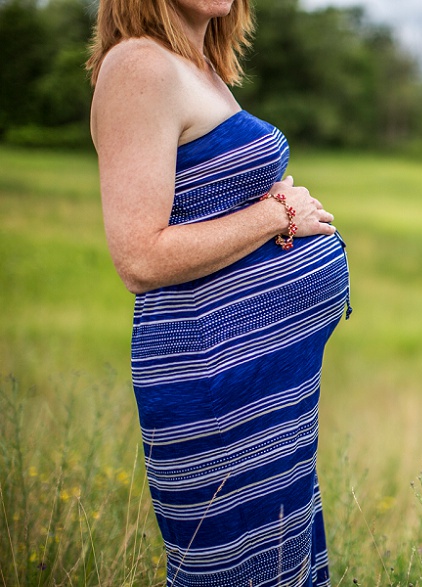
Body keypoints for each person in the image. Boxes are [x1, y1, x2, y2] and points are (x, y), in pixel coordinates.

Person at [86, 0, 350, 584]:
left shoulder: (200, 67)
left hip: (263, 388)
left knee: (279, 560)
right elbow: (138, 256)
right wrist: (278, 213)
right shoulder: (139, 65)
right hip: (211, 382)